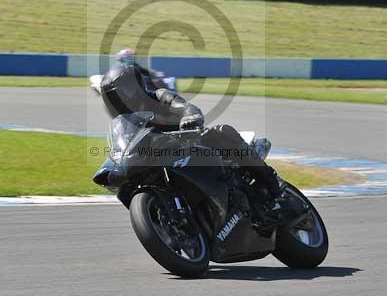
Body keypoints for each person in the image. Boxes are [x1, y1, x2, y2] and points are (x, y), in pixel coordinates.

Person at [99, 63, 292, 224]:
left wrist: (189, 116)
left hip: (191, 143)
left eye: (119, 94)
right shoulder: (125, 124)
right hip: (163, 160)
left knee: (221, 132)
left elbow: (184, 106)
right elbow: (123, 145)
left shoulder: (159, 96)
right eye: (112, 98)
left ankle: (272, 184)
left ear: (133, 88)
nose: (117, 100)